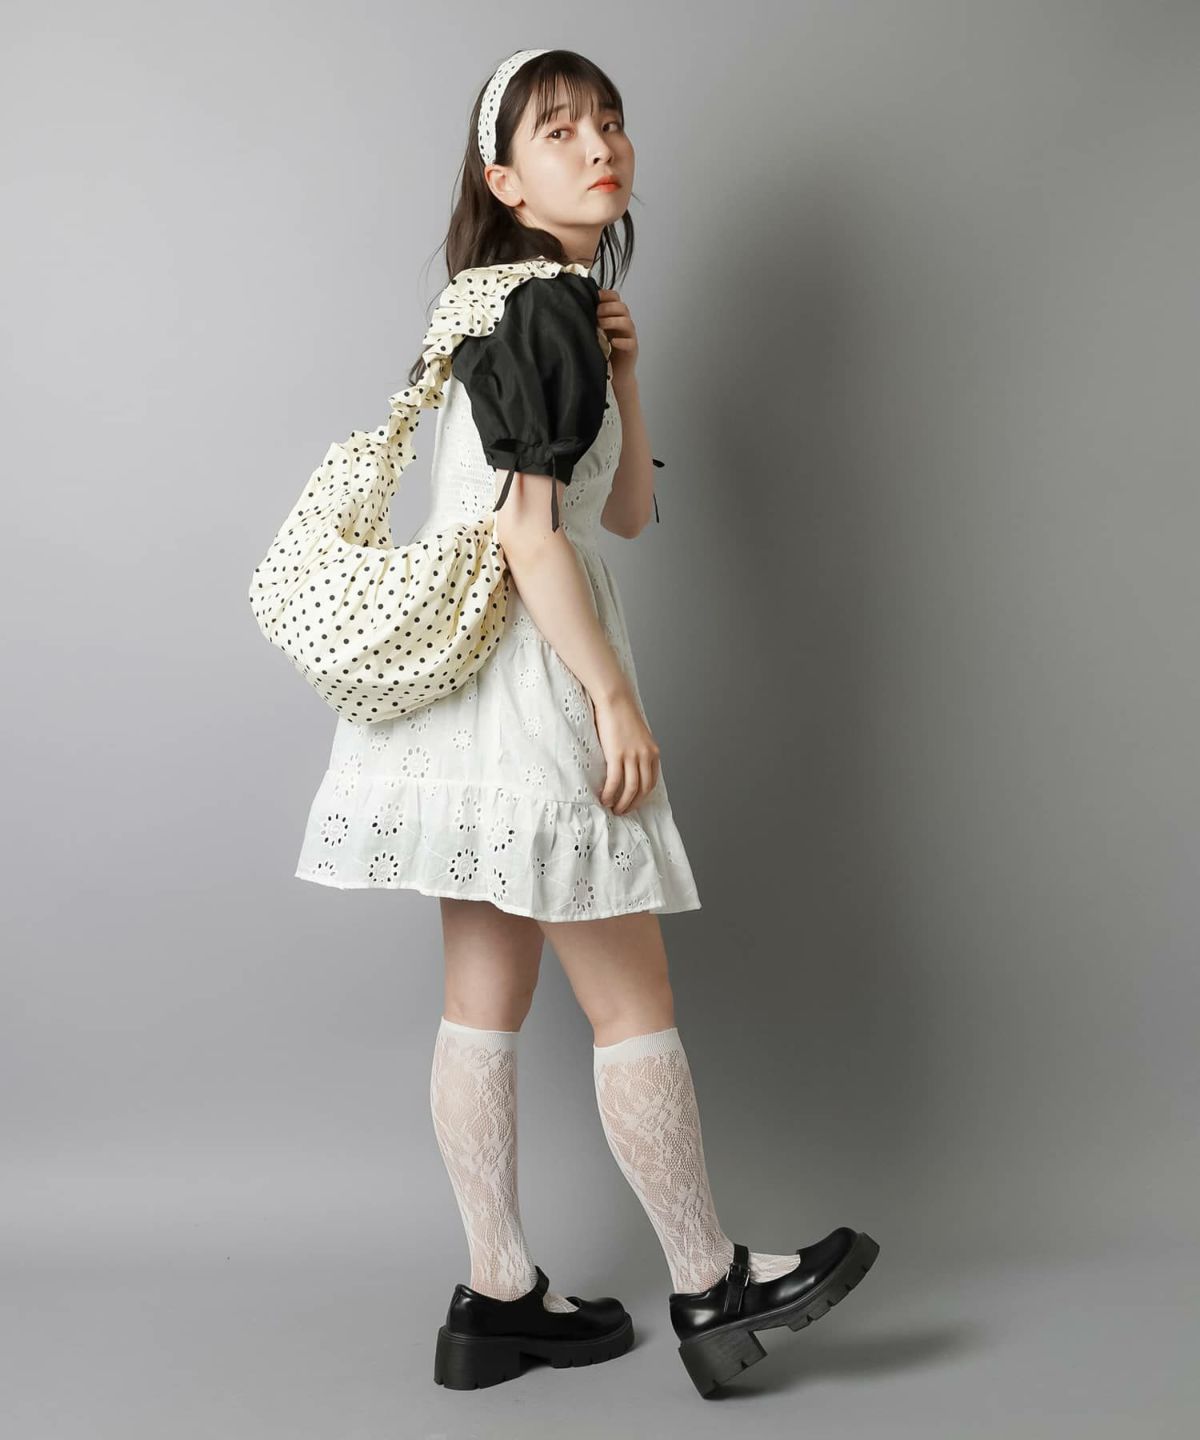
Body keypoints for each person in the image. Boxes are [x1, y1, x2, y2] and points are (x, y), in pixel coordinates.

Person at [293, 47, 879, 1398]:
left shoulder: (508, 306)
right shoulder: (542, 302)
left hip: (457, 698)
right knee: (631, 1001)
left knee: (480, 1001)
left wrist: (627, 374)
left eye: (608, 120)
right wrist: (612, 695)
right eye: (557, 130)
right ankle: (712, 1284)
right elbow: (531, 537)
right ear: (503, 179)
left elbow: (626, 510)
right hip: (535, 680)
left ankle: (498, 1297)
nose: (598, 143)